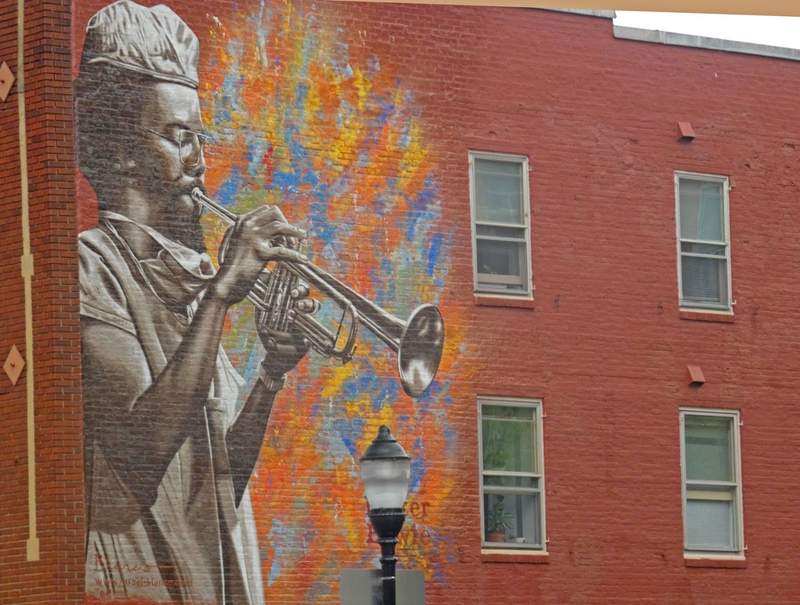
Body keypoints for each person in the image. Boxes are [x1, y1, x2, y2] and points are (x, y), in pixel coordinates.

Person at [75, 2, 311, 603]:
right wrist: (224, 295)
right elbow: (138, 456)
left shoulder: (190, 287)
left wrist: (271, 376)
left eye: (199, 139)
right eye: (179, 139)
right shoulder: (89, 267)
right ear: (122, 148)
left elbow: (216, 482)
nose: (200, 163)